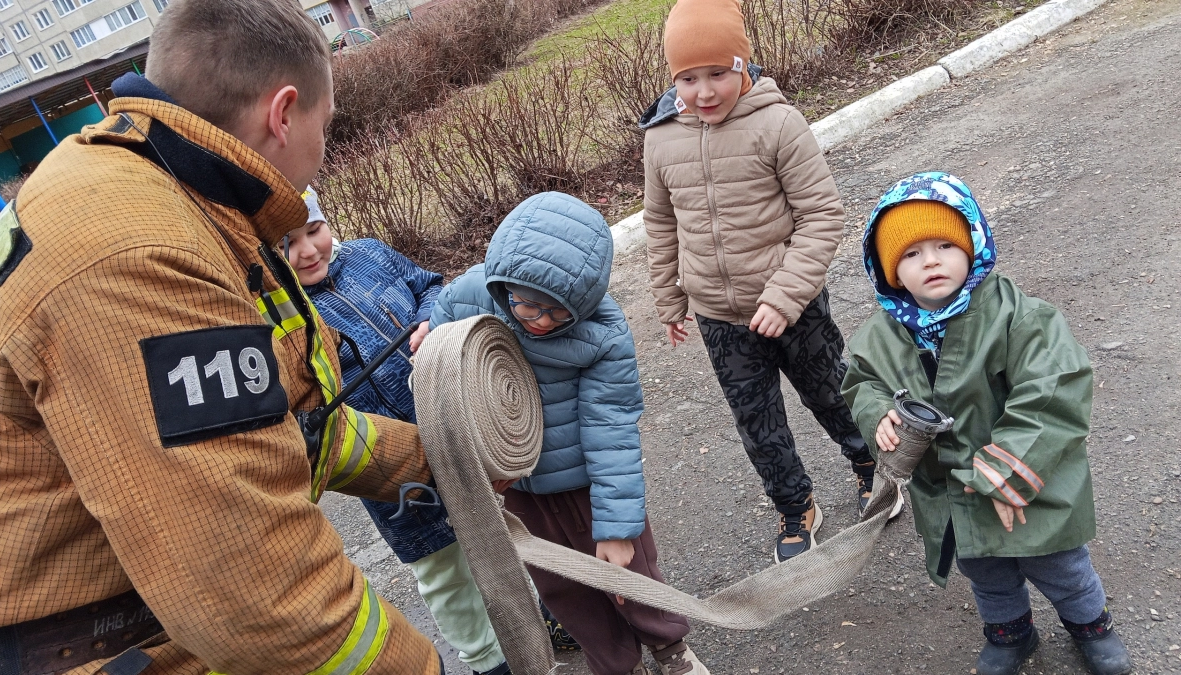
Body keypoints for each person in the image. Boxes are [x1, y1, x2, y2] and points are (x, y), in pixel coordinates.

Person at [0, 0, 443, 672]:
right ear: (283, 114)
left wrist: (438, 458)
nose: (322, 147)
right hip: (102, 644)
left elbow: (294, 426)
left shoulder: (161, 187)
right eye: (325, 124)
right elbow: (257, 594)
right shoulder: (138, 253)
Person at [841, 172, 1133, 675]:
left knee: (1059, 563)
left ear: (972, 245)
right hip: (951, 489)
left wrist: (1008, 465)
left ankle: (1092, 626)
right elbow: (862, 382)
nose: (930, 261)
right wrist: (877, 412)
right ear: (890, 272)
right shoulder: (879, 336)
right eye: (910, 254)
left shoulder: (1019, 316)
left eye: (944, 245)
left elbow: (1053, 388)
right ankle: (1010, 634)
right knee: (985, 569)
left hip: (1029, 475)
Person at [639, 0, 888, 564]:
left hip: (794, 305)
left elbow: (822, 215)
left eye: (718, 73)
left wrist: (784, 296)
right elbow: (661, 221)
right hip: (720, 316)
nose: (704, 92)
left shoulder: (778, 123)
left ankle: (870, 463)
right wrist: (670, 296)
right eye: (688, 78)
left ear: (742, 64)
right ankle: (795, 505)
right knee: (757, 420)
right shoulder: (662, 138)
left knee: (831, 392)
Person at [429, 191, 708, 675]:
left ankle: (670, 647)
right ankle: (616, 665)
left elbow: (611, 426)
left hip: (586, 485)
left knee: (629, 574)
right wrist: (427, 339)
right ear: (502, 283)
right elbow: (443, 352)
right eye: (526, 306)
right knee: (564, 588)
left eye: (557, 313)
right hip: (517, 483)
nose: (539, 321)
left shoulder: (603, 332)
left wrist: (616, 528)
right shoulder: (470, 295)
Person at [286, 187, 514, 675]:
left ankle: (536, 616)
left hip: (453, 426)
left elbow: (431, 286)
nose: (306, 251)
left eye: (313, 230)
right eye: (287, 244)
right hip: (388, 467)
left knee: (502, 530)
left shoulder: (370, 254)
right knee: (442, 565)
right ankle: (487, 660)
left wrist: (430, 317)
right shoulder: (287, 318)